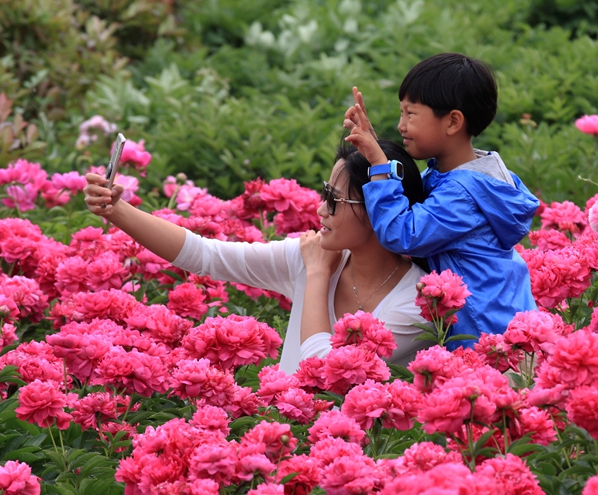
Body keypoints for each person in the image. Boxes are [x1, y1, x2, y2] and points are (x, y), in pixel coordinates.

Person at [82, 141, 433, 373]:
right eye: (326, 193)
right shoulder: (319, 255)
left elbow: (328, 373)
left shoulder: (418, 303)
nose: (321, 208)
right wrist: (117, 210)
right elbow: (206, 255)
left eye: (336, 200)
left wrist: (314, 277)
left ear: (379, 210)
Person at [343, 52, 540, 348]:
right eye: (401, 113)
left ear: (452, 122)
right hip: (501, 327)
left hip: (489, 341)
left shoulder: (462, 195)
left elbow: (402, 233)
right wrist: (376, 146)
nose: (402, 125)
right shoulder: (459, 176)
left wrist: (380, 165)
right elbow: (411, 202)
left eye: (411, 114)